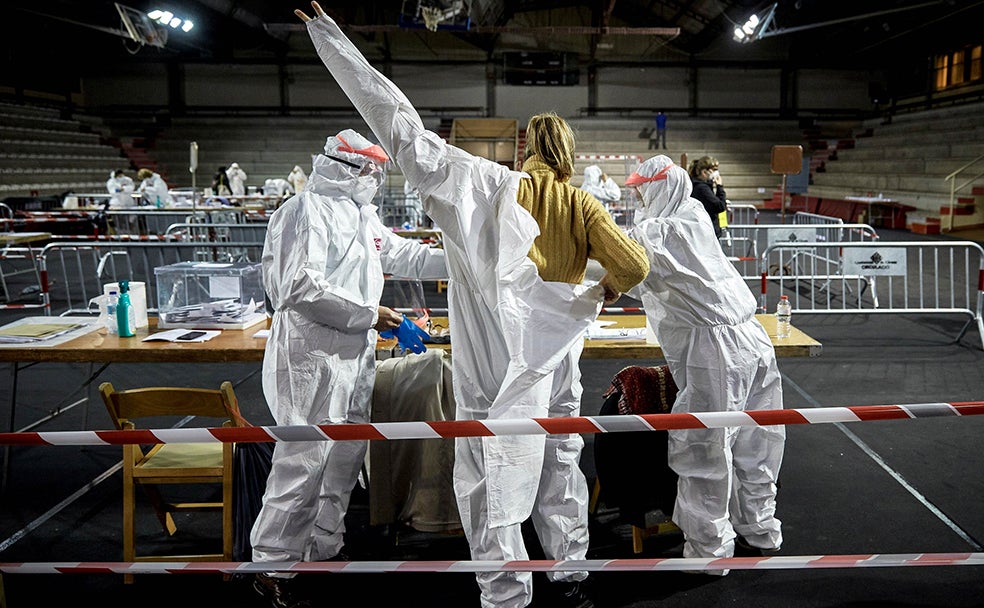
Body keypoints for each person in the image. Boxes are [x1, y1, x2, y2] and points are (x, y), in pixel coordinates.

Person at [294, 5, 649, 608]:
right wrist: (599, 290)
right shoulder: (582, 205)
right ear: (567, 152)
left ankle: (504, 588)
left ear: (524, 148)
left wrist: (331, 41)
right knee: (560, 456)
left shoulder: (479, 186)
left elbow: (397, 121)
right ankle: (569, 573)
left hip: (489, 366)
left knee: (487, 465)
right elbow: (635, 266)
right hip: (554, 361)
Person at [250, 128, 448, 608]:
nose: (377, 177)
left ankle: (323, 550)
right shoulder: (304, 211)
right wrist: (372, 313)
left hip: (353, 354)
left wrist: (468, 260)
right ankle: (272, 566)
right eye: (370, 168)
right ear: (345, 167)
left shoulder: (362, 215)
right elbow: (299, 287)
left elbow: (406, 256)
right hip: (310, 355)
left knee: (343, 457)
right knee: (303, 461)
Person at [623, 154, 784, 575]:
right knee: (758, 441)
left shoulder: (655, 232)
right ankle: (761, 529)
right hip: (754, 338)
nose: (637, 195)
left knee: (706, 447)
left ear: (660, 188)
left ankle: (710, 551)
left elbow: (619, 270)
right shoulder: (693, 211)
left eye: (642, 188)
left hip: (715, 351)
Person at [688, 155, 727, 238]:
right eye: (714, 170)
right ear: (704, 172)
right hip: (707, 232)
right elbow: (720, 206)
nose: (717, 173)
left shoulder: (697, 185)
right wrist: (719, 186)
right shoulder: (702, 188)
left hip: (703, 231)